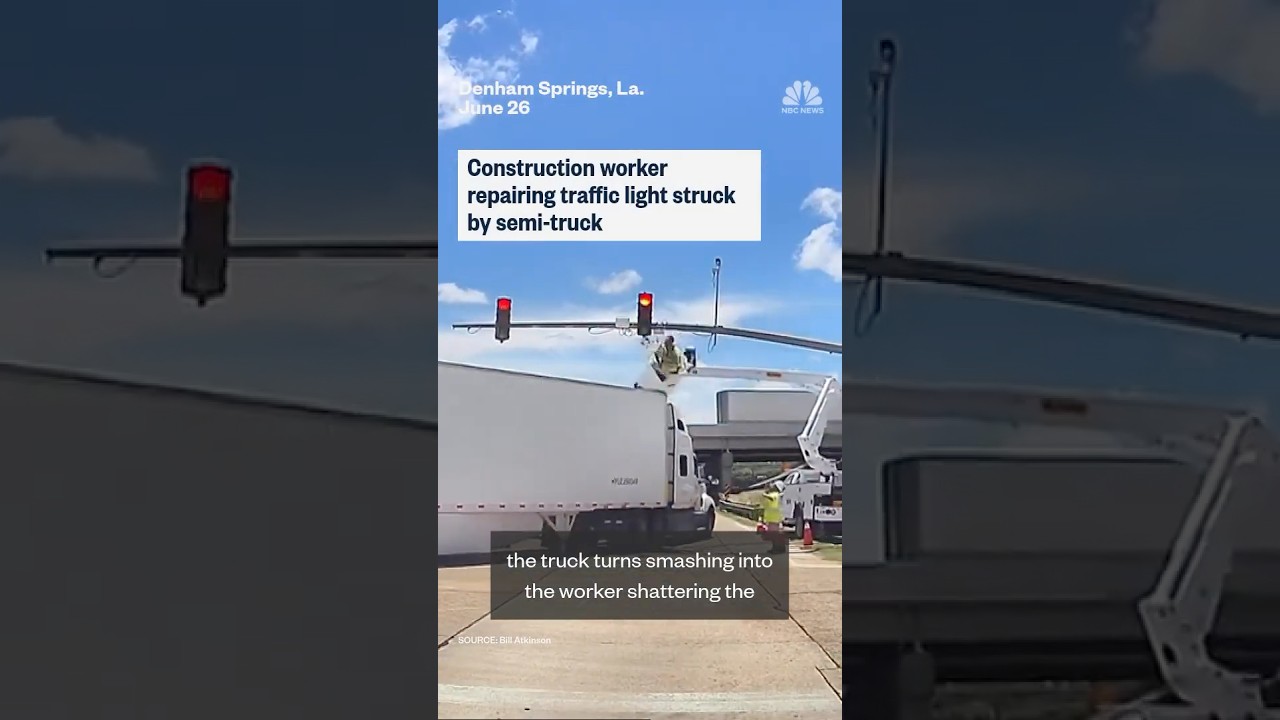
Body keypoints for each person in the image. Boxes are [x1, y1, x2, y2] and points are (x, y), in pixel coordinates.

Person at [758, 480, 787, 554]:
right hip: (772, 518)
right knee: (774, 535)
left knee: (774, 536)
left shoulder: (775, 495)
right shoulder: (776, 494)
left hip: (774, 519)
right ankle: (776, 548)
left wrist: (765, 492)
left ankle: (777, 549)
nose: (772, 487)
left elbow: (767, 497)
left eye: (774, 486)